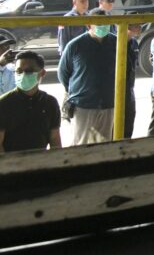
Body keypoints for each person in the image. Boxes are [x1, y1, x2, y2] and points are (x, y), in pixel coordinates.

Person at [58, 9, 117, 145]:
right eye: (99, 23)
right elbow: (63, 74)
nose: (103, 26)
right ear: (89, 25)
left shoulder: (116, 43)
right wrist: (78, 90)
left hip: (109, 103)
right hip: (83, 105)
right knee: (81, 144)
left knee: (104, 143)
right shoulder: (76, 45)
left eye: (105, 23)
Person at [0, 51, 62, 153]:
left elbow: (55, 139)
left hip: (41, 162)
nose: (23, 75)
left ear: (42, 73)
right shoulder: (4, 104)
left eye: (29, 71)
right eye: (19, 71)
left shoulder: (50, 102)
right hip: (11, 163)